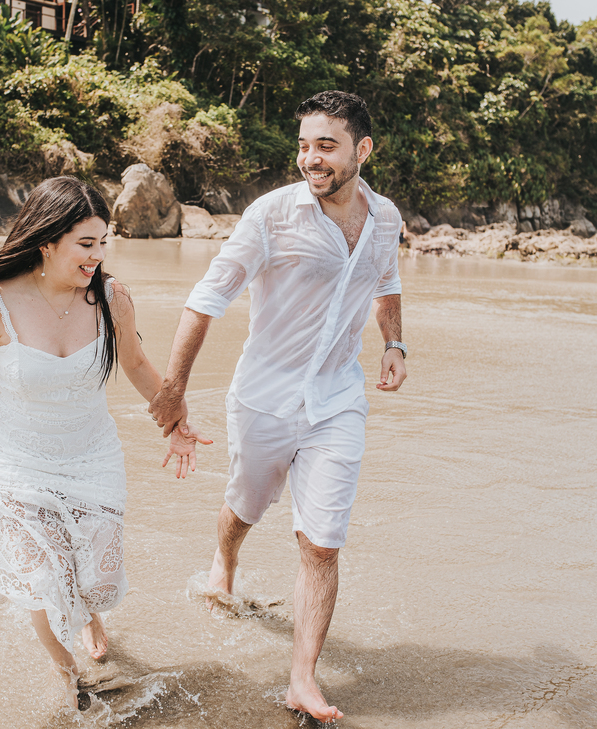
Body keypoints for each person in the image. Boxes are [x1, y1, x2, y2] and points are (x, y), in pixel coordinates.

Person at [148, 91, 407, 723]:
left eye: (326, 146)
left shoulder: (385, 218)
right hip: (264, 396)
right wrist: (174, 389)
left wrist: (394, 342)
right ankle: (224, 564)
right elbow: (207, 297)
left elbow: (387, 279)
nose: (310, 159)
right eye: (303, 145)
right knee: (247, 503)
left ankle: (302, 680)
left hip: (338, 398)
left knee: (321, 542)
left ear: (362, 150)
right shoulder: (271, 215)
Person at [0, 177, 208, 711]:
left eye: (103, 242)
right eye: (86, 244)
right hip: (16, 460)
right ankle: (70, 682)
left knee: (97, 579)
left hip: (91, 457)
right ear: (47, 241)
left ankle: (87, 610)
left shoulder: (111, 298)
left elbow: (136, 366)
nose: (97, 255)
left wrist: (175, 421)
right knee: (44, 581)